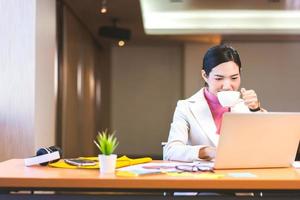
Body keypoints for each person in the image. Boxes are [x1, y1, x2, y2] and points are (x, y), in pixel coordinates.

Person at [164, 44, 265, 162]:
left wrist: (256, 109)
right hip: (204, 177)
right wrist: (207, 152)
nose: (227, 86)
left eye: (234, 78)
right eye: (219, 78)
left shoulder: (247, 107)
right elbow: (170, 151)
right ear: (205, 76)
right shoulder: (185, 107)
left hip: (241, 175)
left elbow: (267, 144)